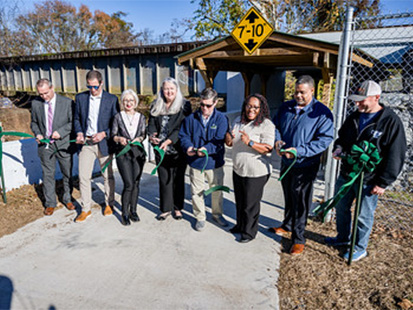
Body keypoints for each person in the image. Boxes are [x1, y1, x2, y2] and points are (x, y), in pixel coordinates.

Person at [325, 80, 406, 262]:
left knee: (363, 215)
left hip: (369, 179)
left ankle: (359, 248)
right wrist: (338, 149)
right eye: (356, 100)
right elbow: (342, 138)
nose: (358, 103)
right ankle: (342, 238)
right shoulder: (354, 117)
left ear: (376, 98)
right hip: (348, 174)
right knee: (342, 207)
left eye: (362, 100)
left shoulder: (390, 121)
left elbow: (396, 154)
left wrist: (383, 182)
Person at [270, 75, 334, 255]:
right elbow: (275, 126)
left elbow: (324, 140)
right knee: (289, 195)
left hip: (305, 164)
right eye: (296, 92)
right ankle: (287, 225)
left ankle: (298, 238)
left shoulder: (321, 113)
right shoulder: (286, 107)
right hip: (286, 161)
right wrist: (277, 141)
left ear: (312, 91)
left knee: (301, 201)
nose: (298, 95)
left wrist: (299, 151)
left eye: (302, 92)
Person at [225, 94, 275, 242]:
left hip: (256, 172)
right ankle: (240, 226)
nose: (251, 109)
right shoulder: (238, 121)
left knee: (250, 205)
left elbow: (268, 148)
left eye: (255, 107)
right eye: (249, 106)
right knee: (240, 201)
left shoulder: (266, 125)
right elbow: (230, 143)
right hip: (239, 169)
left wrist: (250, 143)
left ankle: (249, 233)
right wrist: (228, 138)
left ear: (261, 109)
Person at [179, 88, 228, 231]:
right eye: (202, 105)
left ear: (215, 103)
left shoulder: (221, 119)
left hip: (215, 162)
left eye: (208, 105)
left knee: (216, 190)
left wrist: (207, 149)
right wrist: (188, 147)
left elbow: (219, 140)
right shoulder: (190, 119)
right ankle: (200, 217)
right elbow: (184, 136)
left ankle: (217, 214)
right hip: (196, 162)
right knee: (197, 191)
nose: (204, 108)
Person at [73, 70, 119, 222]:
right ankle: (85, 209)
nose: (92, 90)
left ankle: (109, 204)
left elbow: (115, 123)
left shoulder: (111, 99)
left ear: (101, 83)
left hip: (104, 143)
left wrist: (104, 134)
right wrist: (79, 133)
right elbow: (77, 119)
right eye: (89, 87)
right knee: (83, 176)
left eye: (95, 87)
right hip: (86, 143)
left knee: (107, 176)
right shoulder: (80, 98)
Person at [148, 77, 191, 221]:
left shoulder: (184, 105)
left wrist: (169, 140)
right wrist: (152, 135)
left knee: (178, 179)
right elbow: (152, 123)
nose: (169, 91)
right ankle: (165, 209)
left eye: (171, 89)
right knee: (164, 179)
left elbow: (183, 127)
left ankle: (178, 208)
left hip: (177, 148)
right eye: (166, 89)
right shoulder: (156, 104)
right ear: (162, 90)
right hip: (160, 149)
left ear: (177, 90)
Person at [30, 78, 75, 216]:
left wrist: (60, 132)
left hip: (64, 144)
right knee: (48, 175)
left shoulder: (67, 103)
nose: (44, 96)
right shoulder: (36, 103)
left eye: (46, 93)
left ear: (52, 88)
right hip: (45, 146)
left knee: (67, 173)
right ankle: (50, 203)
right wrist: (37, 134)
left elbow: (73, 122)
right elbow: (34, 123)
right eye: (41, 94)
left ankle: (67, 198)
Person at [111, 89, 146, 226]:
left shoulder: (141, 117)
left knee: (136, 183)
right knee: (129, 184)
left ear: (135, 102)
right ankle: (124, 213)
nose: (128, 103)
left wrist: (139, 138)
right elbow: (113, 135)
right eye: (126, 100)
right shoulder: (118, 117)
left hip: (137, 154)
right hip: (123, 154)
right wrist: (119, 138)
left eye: (131, 100)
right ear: (122, 102)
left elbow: (144, 133)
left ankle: (134, 210)